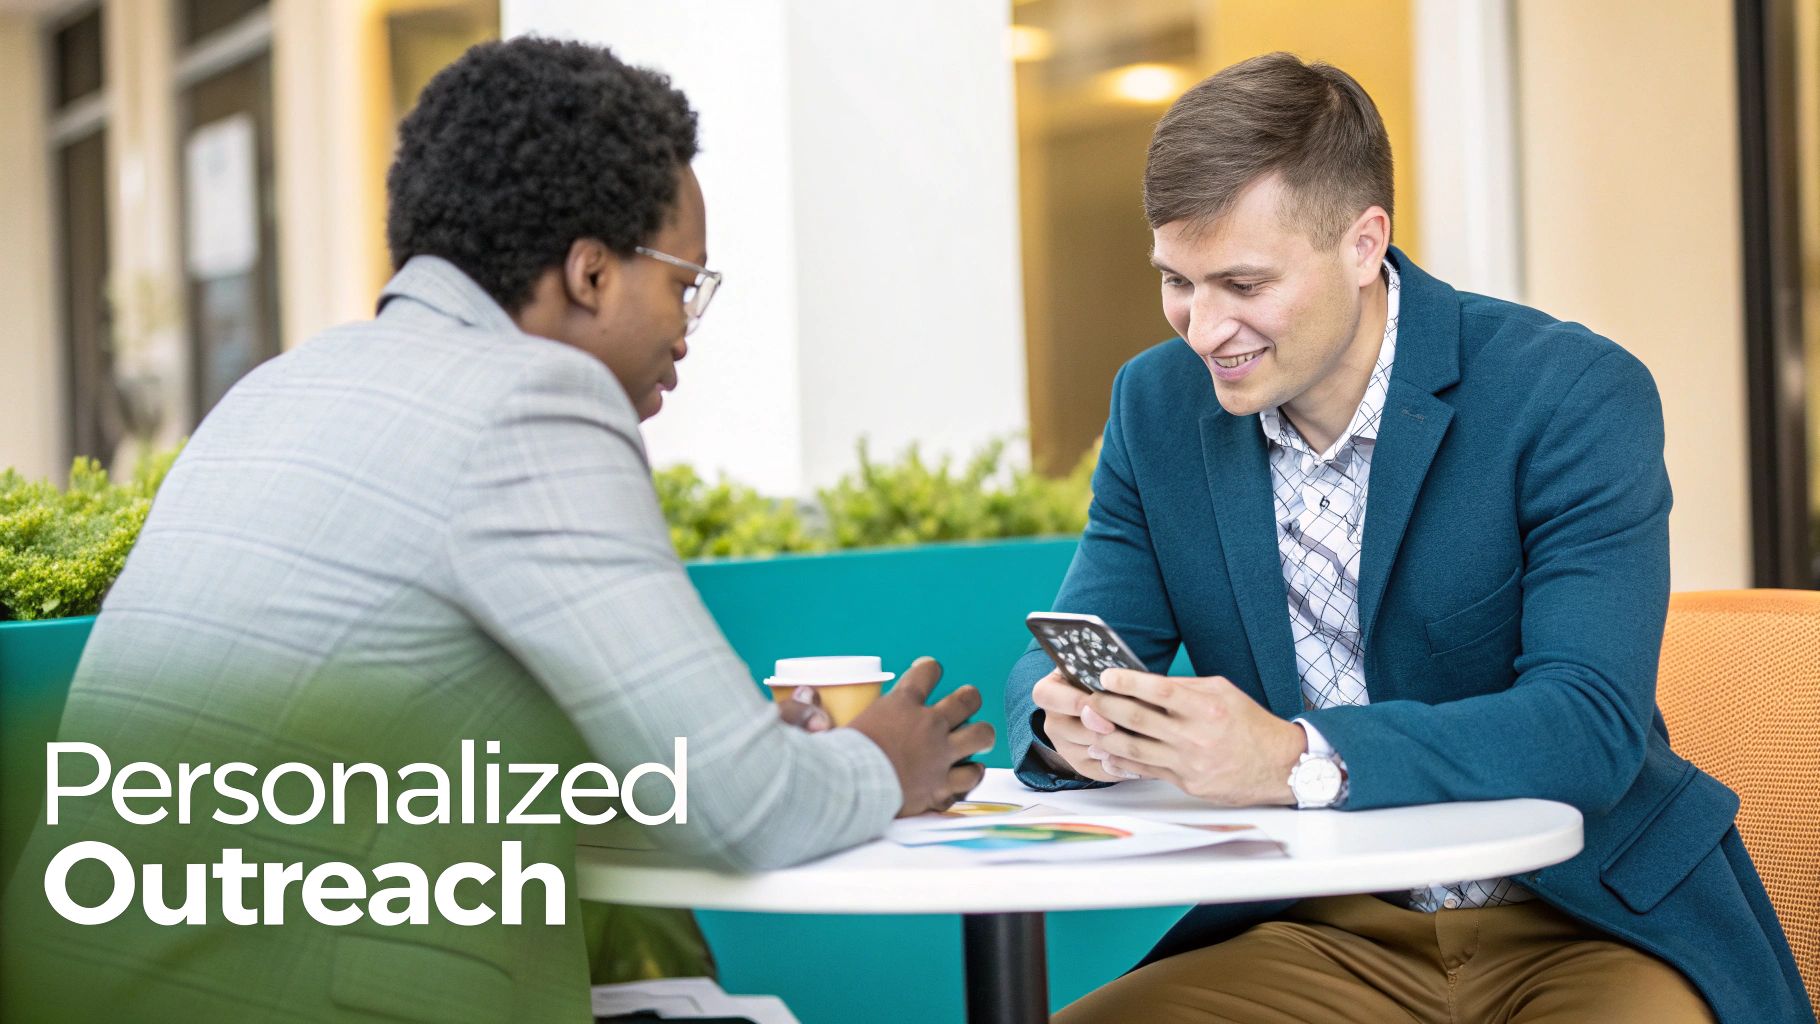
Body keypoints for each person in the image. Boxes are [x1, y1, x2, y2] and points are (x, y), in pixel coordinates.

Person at [1, 37, 991, 1023]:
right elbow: (747, 812)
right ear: (592, 273)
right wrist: (883, 759)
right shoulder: (534, 400)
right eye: (682, 283)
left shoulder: (275, 388)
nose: (686, 329)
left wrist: (697, 758)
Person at [1006, 53, 1811, 1024]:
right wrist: (1071, 725)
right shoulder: (1157, 407)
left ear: (1361, 242)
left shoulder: (1565, 394)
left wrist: (1293, 756)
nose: (1202, 327)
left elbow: (1586, 725)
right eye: (1176, 281)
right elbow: (1066, 653)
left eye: (1241, 282)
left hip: (1583, 924)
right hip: (1326, 929)